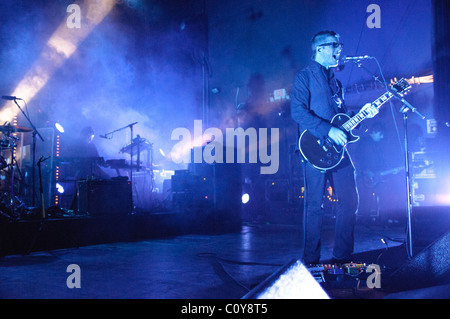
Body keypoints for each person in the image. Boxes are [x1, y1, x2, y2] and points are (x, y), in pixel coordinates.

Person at [290, 31, 379, 264]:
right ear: (320, 49)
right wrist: (327, 130)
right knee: (314, 207)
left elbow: (342, 120)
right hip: (313, 148)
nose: (340, 49)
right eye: (335, 45)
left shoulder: (335, 82)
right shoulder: (304, 77)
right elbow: (298, 112)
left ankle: (342, 257)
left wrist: (363, 116)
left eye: (340, 44)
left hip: (338, 151)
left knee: (349, 201)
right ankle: (310, 261)